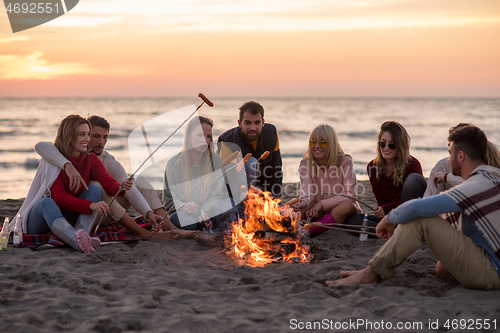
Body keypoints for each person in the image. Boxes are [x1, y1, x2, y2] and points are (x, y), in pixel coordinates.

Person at [326, 124, 500, 290]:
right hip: (485, 259)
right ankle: (384, 265)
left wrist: (389, 218)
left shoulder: (474, 186)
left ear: (460, 156)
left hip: (492, 272)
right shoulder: (492, 177)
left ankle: (371, 273)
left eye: (450, 153)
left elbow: (416, 208)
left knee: (420, 220)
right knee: (441, 268)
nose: (448, 159)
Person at [34, 115, 182, 241]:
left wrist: (148, 212)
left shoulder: (104, 161)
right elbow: (42, 146)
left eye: (105, 137)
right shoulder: (55, 156)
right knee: (97, 187)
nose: (101, 142)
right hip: (84, 207)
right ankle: (141, 232)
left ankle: (168, 225)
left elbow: (124, 189)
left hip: (96, 209)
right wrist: (67, 165)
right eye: (95, 136)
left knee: (138, 180)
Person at [12, 115, 134, 253]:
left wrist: (121, 186)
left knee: (95, 188)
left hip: (69, 217)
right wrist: (91, 205)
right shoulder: (53, 159)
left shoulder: (91, 159)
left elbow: (108, 182)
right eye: (82, 134)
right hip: (42, 219)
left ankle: (82, 235)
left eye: (88, 134)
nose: (87, 139)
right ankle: (76, 240)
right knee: (47, 202)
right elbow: (59, 197)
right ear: (69, 136)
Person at [164, 116, 236, 233]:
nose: (205, 140)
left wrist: (205, 212)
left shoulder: (215, 160)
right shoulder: (173, 164)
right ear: (189, 136)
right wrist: (183, 206)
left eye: (208, 136)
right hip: (186, 215)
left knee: (230, 202)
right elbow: (168, 200)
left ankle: (220, 232)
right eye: (200, 135)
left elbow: (218, 194)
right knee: (175, 218)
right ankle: (201, 230)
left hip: (209, 213)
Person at [293, 124, 361, 237]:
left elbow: (350, 195)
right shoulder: (305, 164)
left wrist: (322, 204)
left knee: (348, 205)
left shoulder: (345, 161)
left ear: (331, 144)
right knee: (297, 211)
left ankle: (310, 231)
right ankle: (299, 229)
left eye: (322, 142)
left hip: (343, 213)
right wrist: (303, 202)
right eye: (313, 142)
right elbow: (307, 190)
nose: (317, 146)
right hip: (318, 212)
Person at [218, 101, 282, 198]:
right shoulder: (227, 141)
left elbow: (276, 171)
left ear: (263, 122)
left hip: (262, 191)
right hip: (237, 194)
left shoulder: (272, 134)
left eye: (257, 123)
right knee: (251, 162)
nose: (253, 128)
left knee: (287, 211)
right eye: (247, 123)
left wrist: (274, 200)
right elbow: (226, 181)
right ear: (240, 123)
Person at [367, 121, 426, 219]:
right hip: (389, 216)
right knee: (353, 219)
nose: (386, 148)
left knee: (413, 179)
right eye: (382, 143)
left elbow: (405, 200)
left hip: (409, 214)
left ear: (400, 146)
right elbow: (380, 200)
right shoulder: (372, 167)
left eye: (392, 145)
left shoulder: (413, 165)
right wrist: (381, 211)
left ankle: (397, 231)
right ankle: (390, 231)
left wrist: (385, 210)